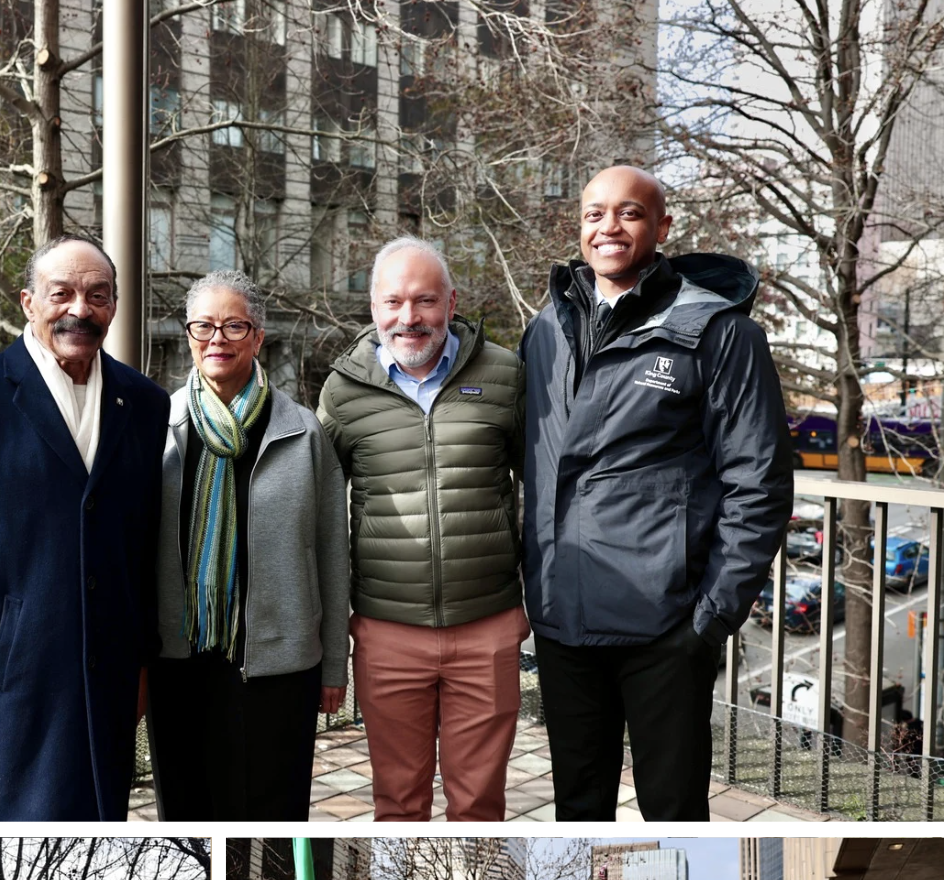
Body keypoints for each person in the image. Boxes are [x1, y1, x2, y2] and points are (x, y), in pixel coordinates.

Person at [519, 165, 793, 821]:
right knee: (577, 814)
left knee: (673, 813)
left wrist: (710, 618)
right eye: (594, 214)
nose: (608, 227)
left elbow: (759, 484)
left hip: (666, 631)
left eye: (629, 213)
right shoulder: (546, 330)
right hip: (562, 621)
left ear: (663, 226)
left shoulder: (721, 334)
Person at [0, 234, 168, 820]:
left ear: (114, 307)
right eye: (62, 292)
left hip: (113, 671)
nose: (80, 308)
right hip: (10, 677)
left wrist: (144, 661)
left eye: (97, 295)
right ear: (28, 302)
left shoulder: (146, 403)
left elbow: (146, 545)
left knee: (105, 820)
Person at [317, 237, 528, 821]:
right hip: (387, 634)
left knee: (480, 806)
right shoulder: (343, 389)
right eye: (393, 303)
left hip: (487, 627)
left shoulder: (506, 375)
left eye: (425, 301)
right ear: (373, 308)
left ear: (451, 302)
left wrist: (532, 598)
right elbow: (319, 512)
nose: (408, 318)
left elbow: (547, 491)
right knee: (398, 804)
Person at [149, 270, 347, 819]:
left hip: (278, 670)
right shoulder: (155, 427)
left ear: (258, 337)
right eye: (204, 326)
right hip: (179, 663)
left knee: (273, 816)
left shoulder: (304, 432)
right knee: (187, 816)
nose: (218, 339)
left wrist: (335, 665)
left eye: (235, 325)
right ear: (189, 335)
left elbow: (332, 554)